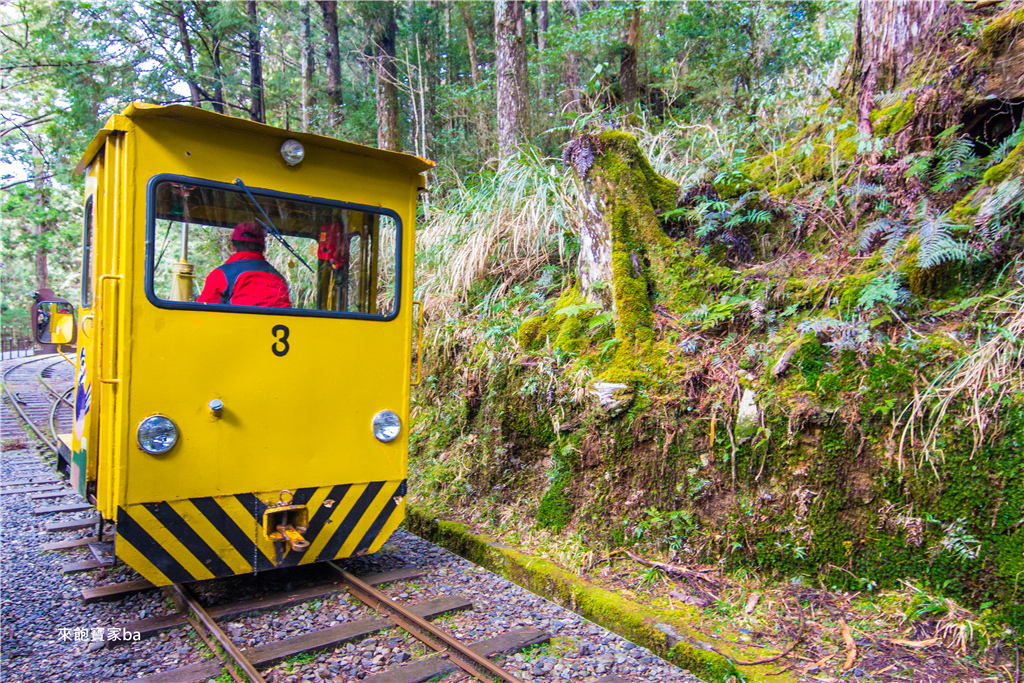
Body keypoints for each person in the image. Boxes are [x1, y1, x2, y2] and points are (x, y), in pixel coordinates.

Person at [197, 223, 291, 307]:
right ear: (264, 249)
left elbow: (202, 312)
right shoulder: (279, 278)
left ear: (232, 246)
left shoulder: (220, 275)